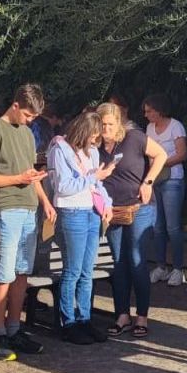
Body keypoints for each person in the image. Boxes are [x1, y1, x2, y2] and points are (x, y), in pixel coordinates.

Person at [0, 84, 54, 360]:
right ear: (16, 106)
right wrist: (17, 180)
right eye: (28, 115)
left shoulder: (27, 134)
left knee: (22, 271)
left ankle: (14, 327)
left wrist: (43, 199)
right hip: (7, 208)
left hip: (29, 207)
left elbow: (28, 173)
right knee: (5, 272)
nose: (30, 121)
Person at [98, 102, 167, 339]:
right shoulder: (95, 146)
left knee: (136, 260)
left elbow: (161, 154)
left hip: (139, 206)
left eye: (109, 124)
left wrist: (148, 182)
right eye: (102, 124)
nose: (105, 128)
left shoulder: (134, 138)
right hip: (113, 209)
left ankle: (142, 316)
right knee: (119, 263)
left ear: (118, 122)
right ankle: (122, 315)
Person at [48, 111, 115, 344]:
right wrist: (93, 176)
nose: (95, 140)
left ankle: (85, 318)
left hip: (92, 212)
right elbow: (63, 186)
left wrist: (107, 203)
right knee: (73, 270)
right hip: (72, 211)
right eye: (93, 135)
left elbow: (98, 185)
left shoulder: (93, 152)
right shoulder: (60, 149)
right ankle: (68, 322)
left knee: (87, 271)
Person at [143, 93, 187, 287]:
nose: (146, 115)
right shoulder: (149, 128)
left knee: (173, 226)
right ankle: (161, 266)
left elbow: (182, 153)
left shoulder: (175, 126)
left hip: (173, 179)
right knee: (158, 226)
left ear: (159, 111)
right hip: (156, 180)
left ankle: (178, 268)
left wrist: (161, 163)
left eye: (149, 111)